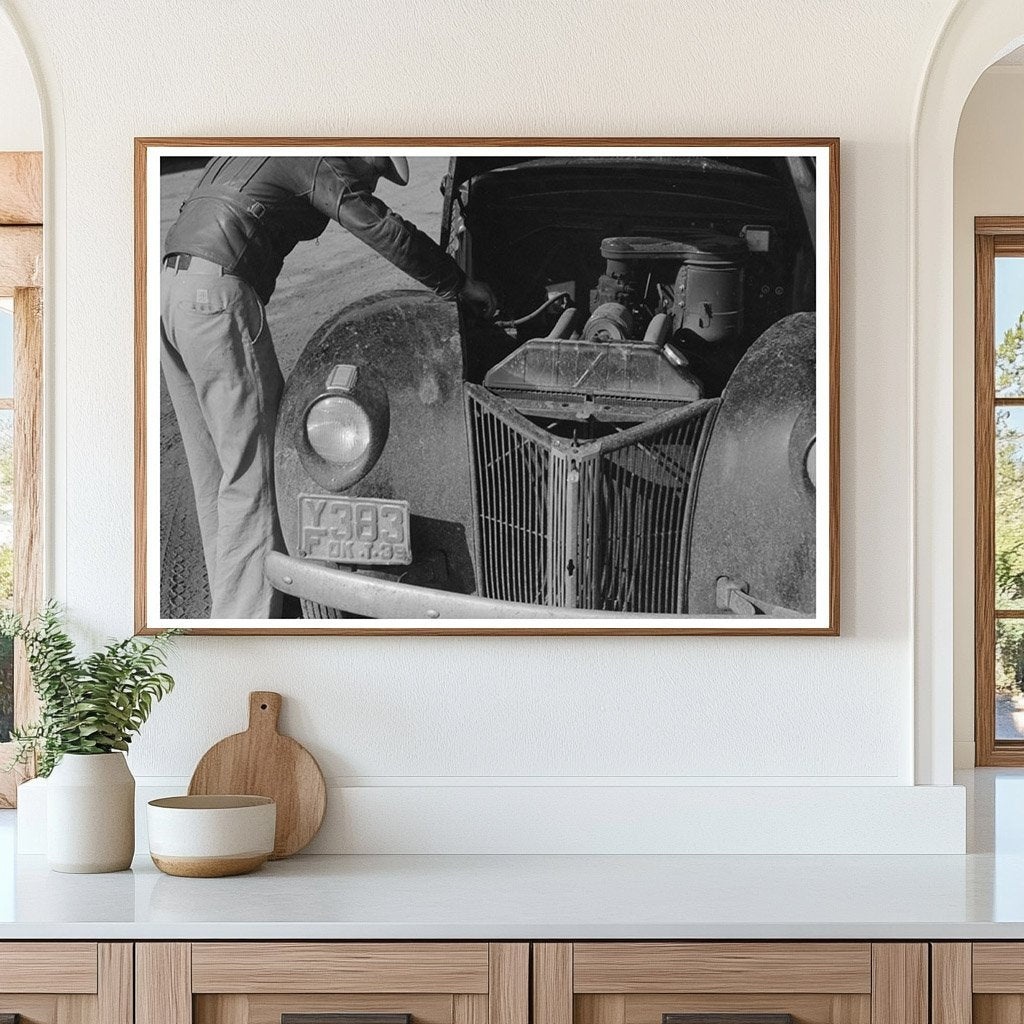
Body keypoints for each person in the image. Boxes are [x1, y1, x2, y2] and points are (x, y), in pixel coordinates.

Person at [160, 156, 496, 619]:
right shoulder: (319, 159)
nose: (372, 183)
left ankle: (228, 607)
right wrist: (458, 284)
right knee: (256, 476)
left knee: (216, 472)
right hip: (218, 295)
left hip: (168, 293)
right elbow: (384, 229)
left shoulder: (265, 150)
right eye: (376, 171)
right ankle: (248, 630)